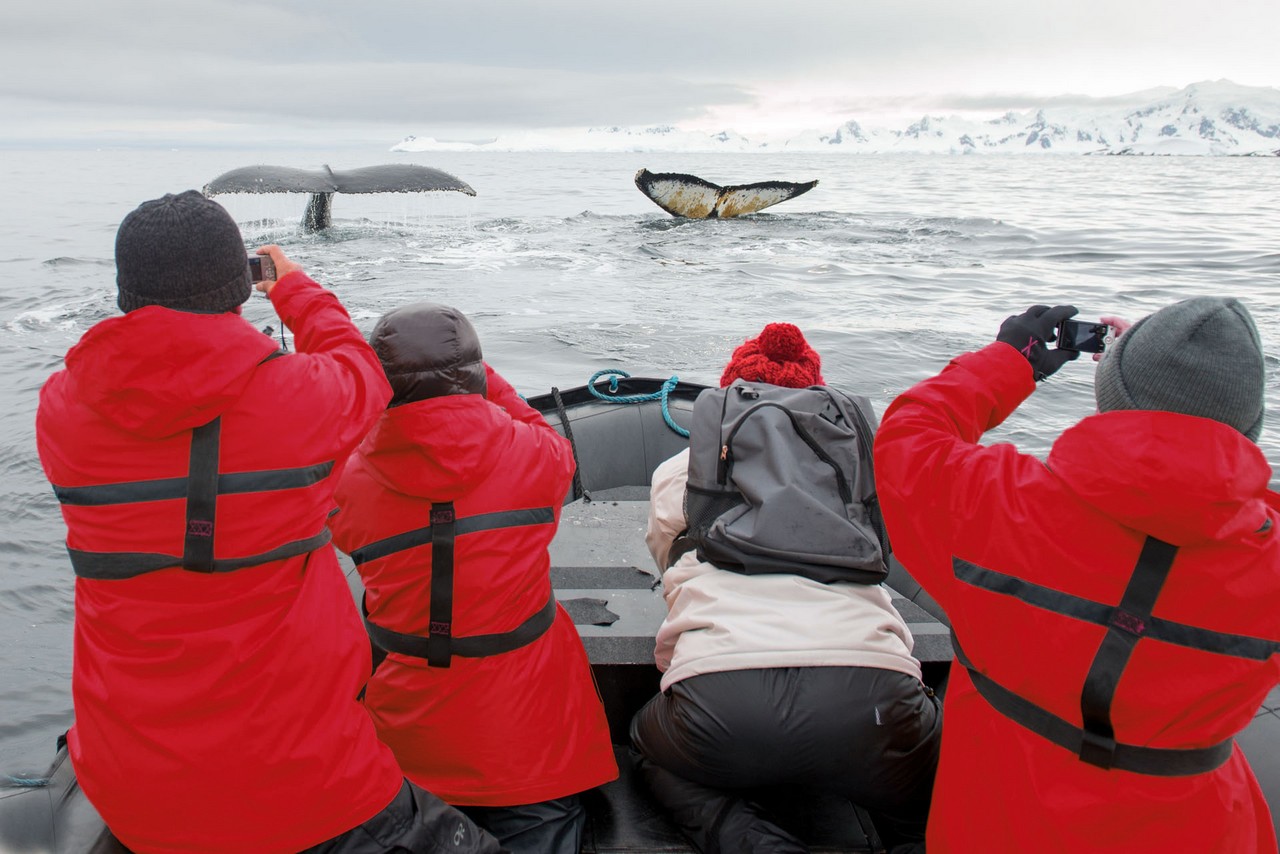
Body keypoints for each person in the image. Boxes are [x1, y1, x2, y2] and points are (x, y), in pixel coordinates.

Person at [36, 191, 501, 854]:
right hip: (309, 783)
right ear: (241, 287)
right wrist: (295, 288)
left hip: (133, 789)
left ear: (124, 293)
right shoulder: (303, 397)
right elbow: (360, 368)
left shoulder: (61, 409)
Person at [873, 300, 1280, 853]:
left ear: (1111, 394)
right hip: (1198, 829)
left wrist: (1013, 360)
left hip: (999, 819)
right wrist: (1166, 392)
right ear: (1247, 423)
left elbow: (908, 435)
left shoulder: (994, 504)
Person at [629, 322, 942, 854]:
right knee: (923, 797)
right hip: (875, 703)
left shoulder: (681, 471)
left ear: (730, 399)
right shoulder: (863, 471)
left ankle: (757, 842)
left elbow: (669, 565)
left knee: (646, 746)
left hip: (722, 705)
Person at [328, 302, 618, 854]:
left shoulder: (350, 481)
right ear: (476, 375)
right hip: (530, 738)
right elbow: (543, 436)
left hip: (407, 740)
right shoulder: (537, 455)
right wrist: (480, 379)